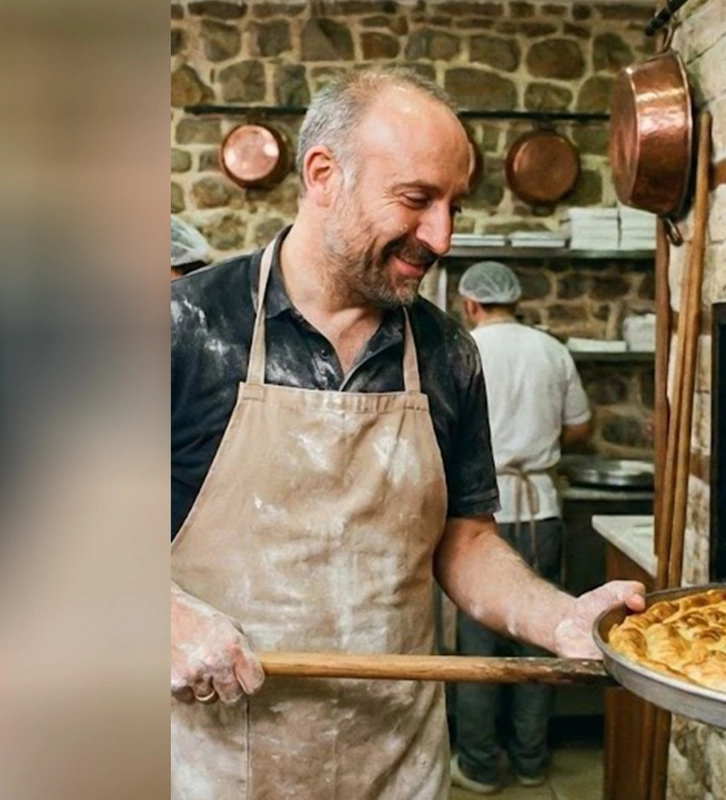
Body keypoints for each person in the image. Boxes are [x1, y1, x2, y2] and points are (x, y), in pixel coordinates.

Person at [169, 66, 644, 800]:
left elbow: (466, 540)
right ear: (324, 175)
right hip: (219, 763)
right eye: (417, 200)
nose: (443, 236)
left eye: (453, 204)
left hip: (394, 764)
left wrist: (558, 618)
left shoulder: (450, 354)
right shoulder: (185, 327)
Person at [450, 261, 593, 794]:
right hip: (541, 508)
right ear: (517, 300)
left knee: (479, 646)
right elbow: (579, 426)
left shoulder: (463, 348)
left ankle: (479, 765)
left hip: (478, 514)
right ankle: (532, 762)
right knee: (542, 640)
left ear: (471, 303)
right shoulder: (550, 349)